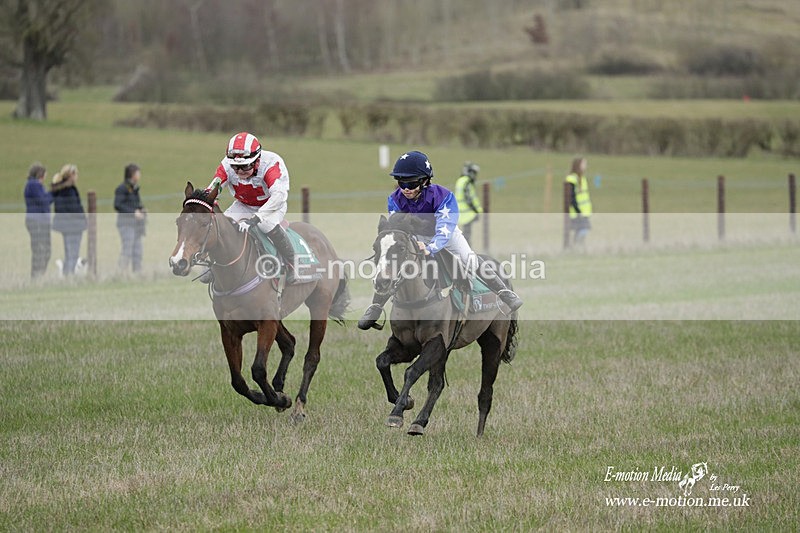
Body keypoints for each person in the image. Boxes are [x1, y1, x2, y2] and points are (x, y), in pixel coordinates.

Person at [357, 150, 523, 330]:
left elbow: (444, 229)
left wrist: (430, 247)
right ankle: (376, 306)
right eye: (401, 182)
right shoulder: (394, 199)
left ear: (424, 181)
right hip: (415, 236)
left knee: (468, 259)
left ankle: (503, 292)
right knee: (394, 264)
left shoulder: (443, 196)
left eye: (411, 183)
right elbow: (398, 230)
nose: (405, 188)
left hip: (446, 235)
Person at [203, 131, 304, 284]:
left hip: (272, 206)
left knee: (265, 224)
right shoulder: (226, 165)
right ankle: (215, 267)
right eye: (235, 168)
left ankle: (293, 264)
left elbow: (279, 196)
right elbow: (213, 188)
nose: (239, 172)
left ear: (256, 162)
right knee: (221, 225)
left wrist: (256, 218)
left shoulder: (271, 164)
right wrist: (203, 201)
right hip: (243, 205)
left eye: (244, 167)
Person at [51, 164, 87, 276]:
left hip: (65, 225)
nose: (77, 177)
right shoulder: (69, 190)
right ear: (71, 175)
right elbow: (74, 208)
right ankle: (69, 276)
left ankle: (66, 274)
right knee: (73, 253)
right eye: (75, 174)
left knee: (68, 252)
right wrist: (82, 218)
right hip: (73, 225)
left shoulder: (60, 189)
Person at [114, 163, 147, 273]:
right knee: (127, 249)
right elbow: (118, 205)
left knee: (138, 250)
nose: (139, 175)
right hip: (126, 224)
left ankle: (137, 273)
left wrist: (141, 209)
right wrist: (133, 212)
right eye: (138, 173)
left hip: (136, 225)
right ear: (132, 174)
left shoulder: (134, 189)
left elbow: (135, 204)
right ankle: (121, 273)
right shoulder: (122, 188)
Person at [23, 162, 52, 279]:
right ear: (40, 174)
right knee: (41, 250)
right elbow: (44, 201)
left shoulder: (33, 185)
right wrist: (54, 193)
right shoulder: (34, 185)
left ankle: (38, 275)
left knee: (43, 250)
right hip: (37, 221)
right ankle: (36, 276)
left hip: (38, 220)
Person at [565, 156, 592, 246]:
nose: (585, 166)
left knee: (582, 231)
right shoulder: (572, 179)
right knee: (582, 231)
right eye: (583, 164)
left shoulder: (582, 178)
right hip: (577, 212)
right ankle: (576, 247)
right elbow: (572, 197)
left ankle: (577, 248)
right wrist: (578, 210)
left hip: (584, 212)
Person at [454, 161, 483, 245]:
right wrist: (477, 211)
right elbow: (469, 199)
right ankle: (467, 253)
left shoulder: (460, 180)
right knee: (466, 236)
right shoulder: (466, 182)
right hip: (468, 213)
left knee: (464, 235)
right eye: (473, 172)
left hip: (462, 213)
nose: (474, 175)